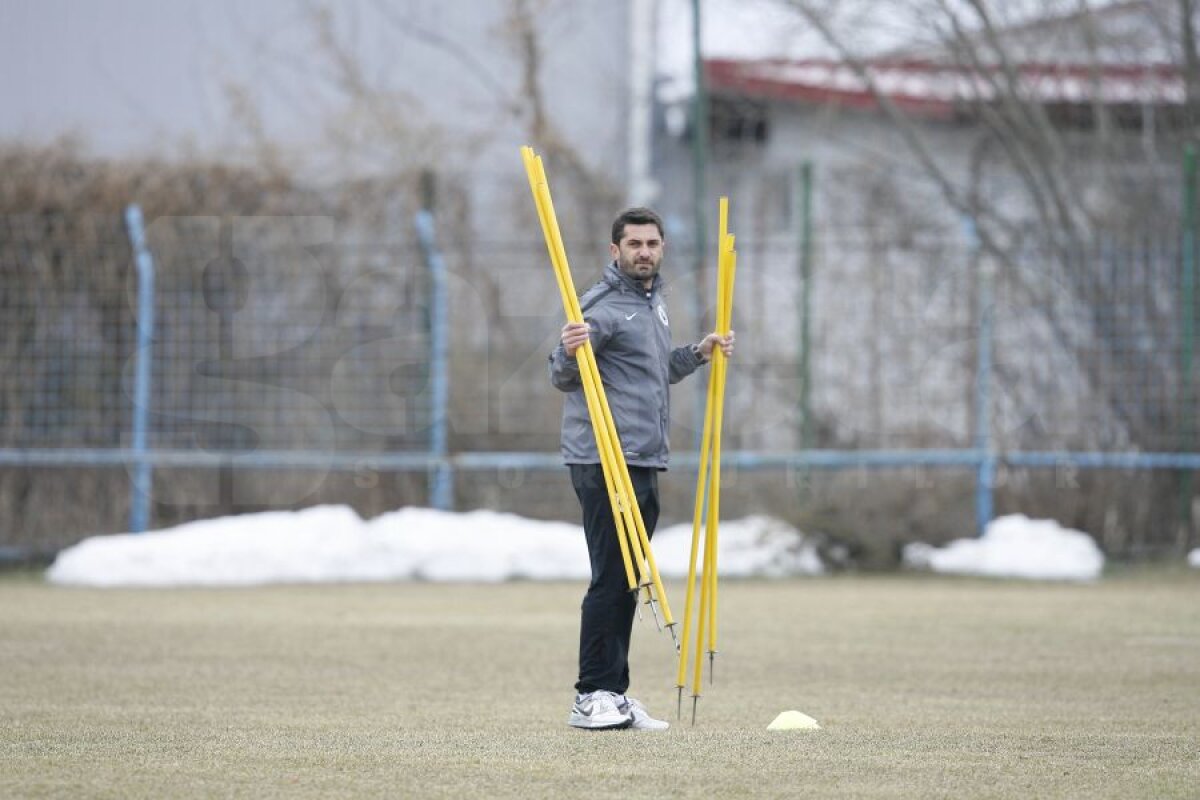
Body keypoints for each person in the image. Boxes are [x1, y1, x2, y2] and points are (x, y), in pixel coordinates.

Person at [548, 207, 734, 731]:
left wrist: (699, 353)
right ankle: (590, 696)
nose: (644, 252)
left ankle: (614, 693)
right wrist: (568, 351)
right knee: (611, 577)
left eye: (652, 243)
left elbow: (655, 371)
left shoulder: (653, 304)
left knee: (631, 579)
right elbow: (562, 375)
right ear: (616, 251)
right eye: (634, 244)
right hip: (603, 457)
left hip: (644, 458)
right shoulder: (602, 305)